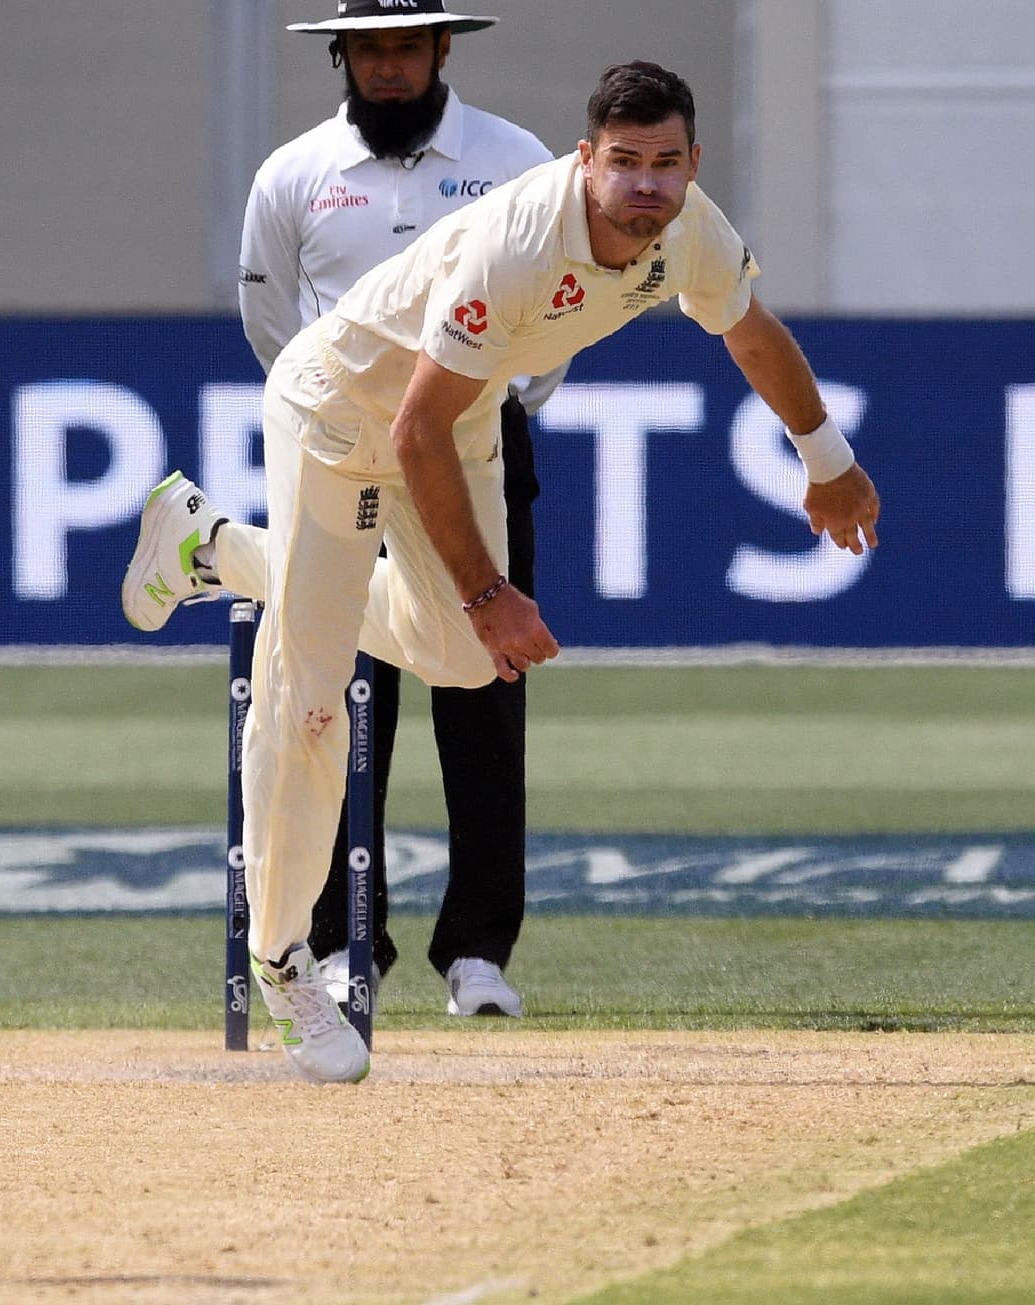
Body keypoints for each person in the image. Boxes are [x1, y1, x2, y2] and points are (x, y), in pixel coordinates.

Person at [124, 62, 880, 1083]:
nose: (647, 186)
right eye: (625, 165)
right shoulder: (518, 241)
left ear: (692, 162)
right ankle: (283, 957)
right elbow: (411, 428)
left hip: (461, 422)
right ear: (587, 160)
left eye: (666, 164)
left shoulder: (690, 229)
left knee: (465, 664)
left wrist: (827, 460)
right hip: (340, 418)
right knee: (311, 702)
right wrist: (490, 589)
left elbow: (750, 333)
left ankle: (211, 547)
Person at [236, 0, 559, 1021]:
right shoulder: (294, 173)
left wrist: (499, 403)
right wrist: (338, 418)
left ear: (442, 49)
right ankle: (340, 944)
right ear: (341, 54)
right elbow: (268, 315)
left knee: (483, 688)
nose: (387, 68)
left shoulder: (513, 159)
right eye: (369, 48)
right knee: (327, 682)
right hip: (340, 452)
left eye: (405, 47)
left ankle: (477, 954)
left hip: (471, 448)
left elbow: (553, 307)